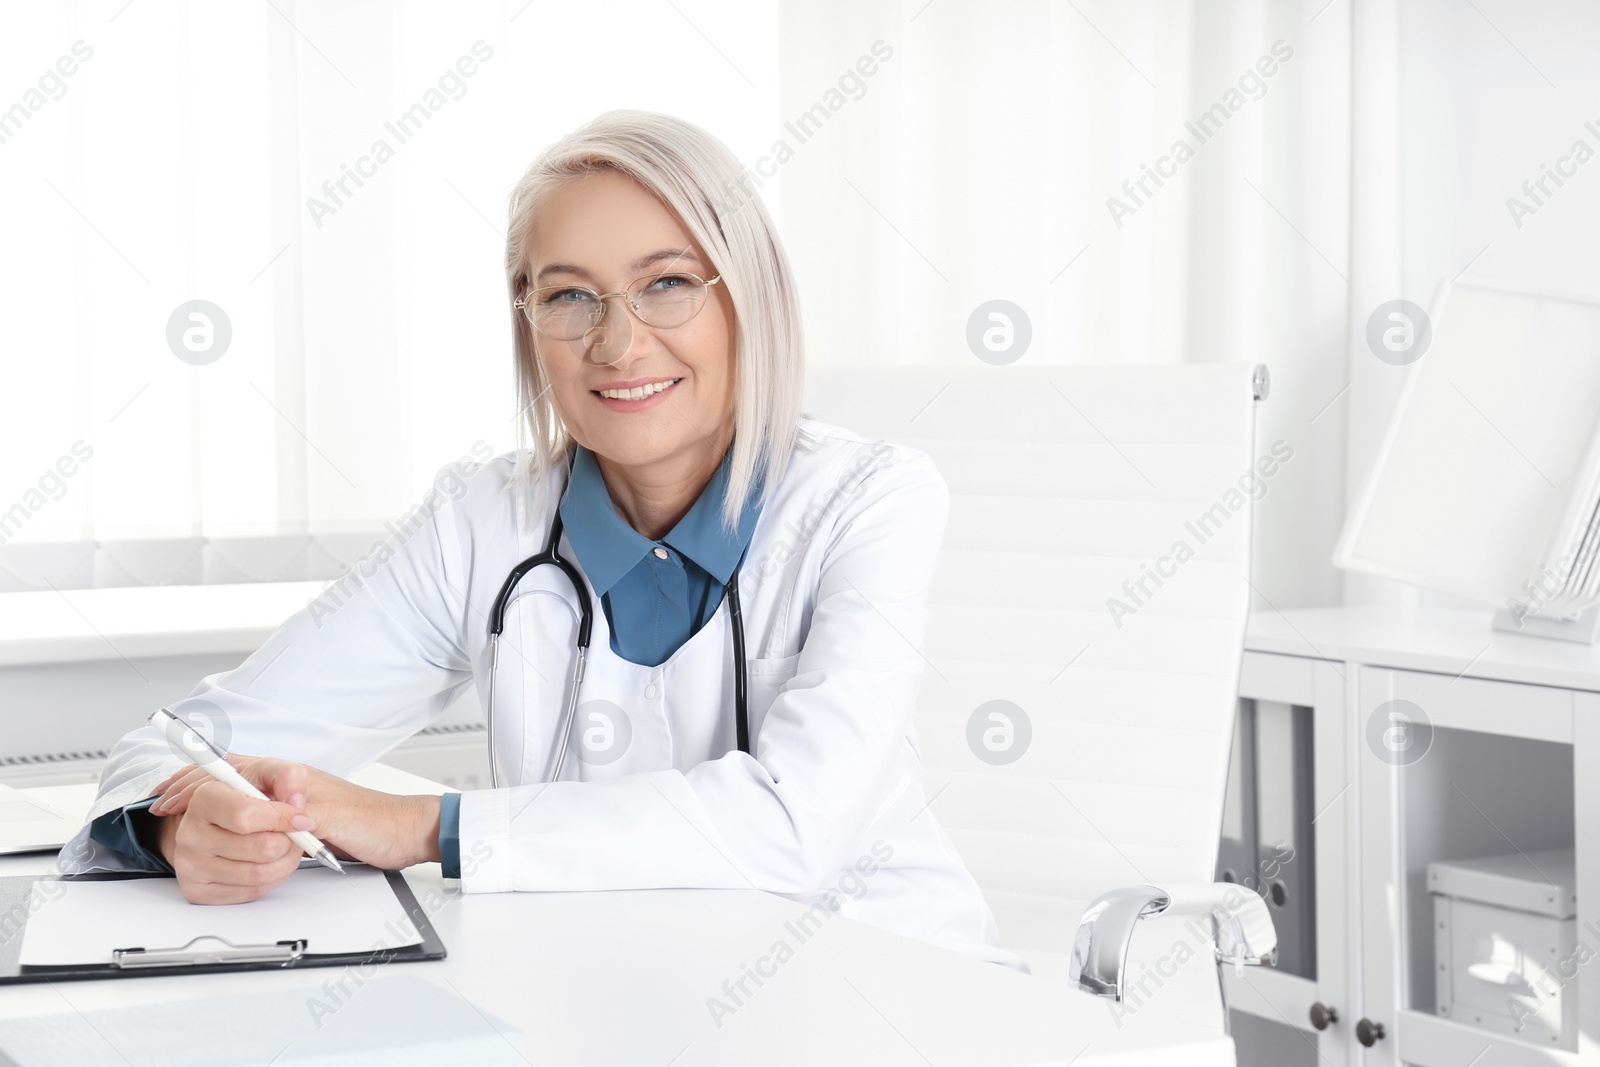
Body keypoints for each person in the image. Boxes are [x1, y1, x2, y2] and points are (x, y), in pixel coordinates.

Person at [61, 109, 1023, 972]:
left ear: (753, 298)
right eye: (570, 297)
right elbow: (180, 746)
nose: (617, 342)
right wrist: (183, 819)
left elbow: (798, 825)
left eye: (668, 283)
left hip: (889, 993)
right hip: (619, 1002)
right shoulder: (484, 522)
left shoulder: (868, 501)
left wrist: (422, 826)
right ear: (529, 323)